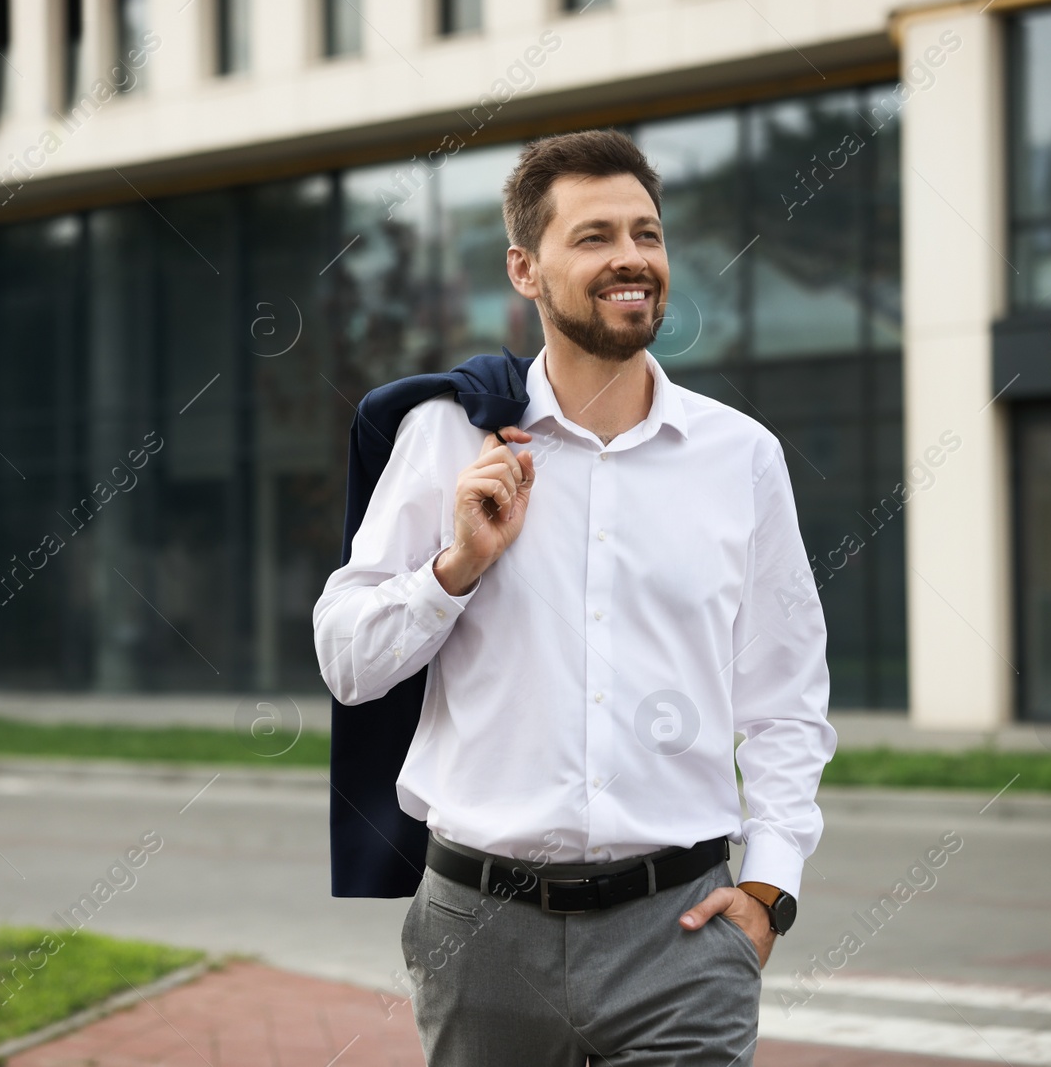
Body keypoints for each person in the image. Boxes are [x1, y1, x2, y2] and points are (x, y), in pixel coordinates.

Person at [313, 128, 835, 1066]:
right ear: (525, 268)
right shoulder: (446, 438)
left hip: (679, 937)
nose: (631, 257)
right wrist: (453, 568)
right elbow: (348, 662)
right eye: (594, 237)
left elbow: (788, 698)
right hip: (479, 934)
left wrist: (768, 888)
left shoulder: (741, 457)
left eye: (647, 233)